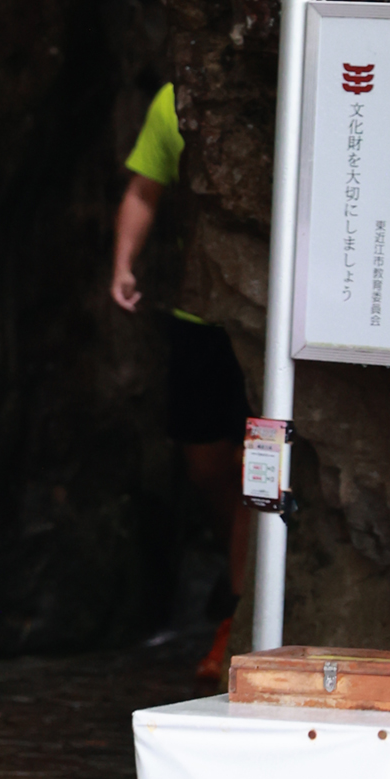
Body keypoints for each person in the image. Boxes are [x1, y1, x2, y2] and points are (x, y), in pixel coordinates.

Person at [111, 81, 250, 682]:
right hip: (200, 314)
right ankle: (235, 568)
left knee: (255, 466)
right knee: (206, 464)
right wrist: (123, 263)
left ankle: (235, 612)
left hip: (267, 320)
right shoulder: (177, 99)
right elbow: (145, 188)